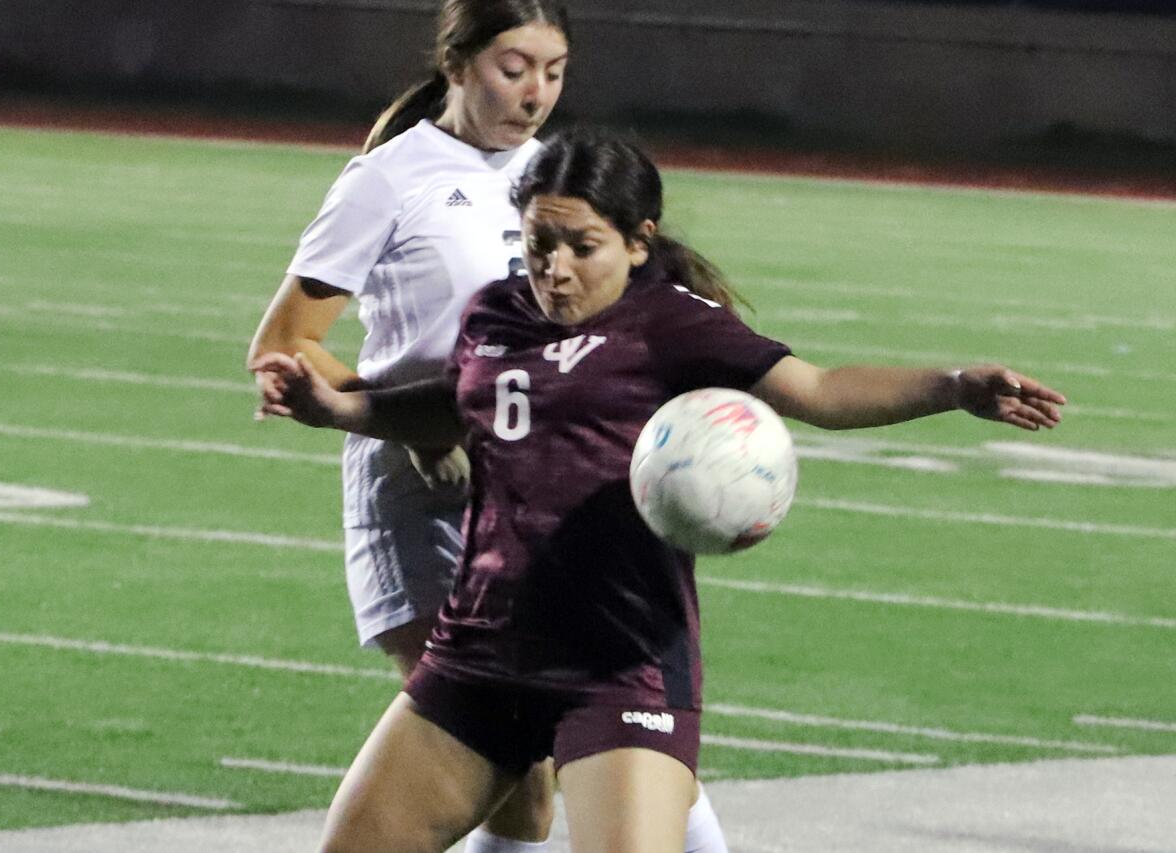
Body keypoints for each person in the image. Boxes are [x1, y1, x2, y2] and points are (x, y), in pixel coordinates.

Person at [251, 127, 1066, 853]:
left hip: (619, 665)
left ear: (639, 242)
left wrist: (954, 385)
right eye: (539, 242)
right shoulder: (497, 313)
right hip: (480, 655)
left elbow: (818, 390)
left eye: (582, 246)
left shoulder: (675, 325)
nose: (554, 268)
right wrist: (340, 409)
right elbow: (468, 402)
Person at [246, 3, 731, 851]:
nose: (536, 92)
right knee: (524, 768)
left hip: (546, 496)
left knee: (588, 732)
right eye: (515, 67)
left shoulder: (554, 175)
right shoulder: (390, 179)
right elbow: (286, 342)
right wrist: (418, 428)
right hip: (424, 504)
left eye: (554, 70)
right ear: (459, 62)